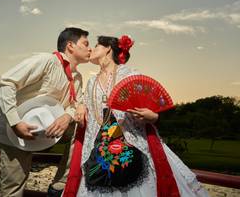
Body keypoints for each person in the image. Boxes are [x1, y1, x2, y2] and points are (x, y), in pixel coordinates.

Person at [73, 35, 209, 196]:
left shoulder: (131, 75)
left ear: (108, 48)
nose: (91, 49)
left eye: (96, 46)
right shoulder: (91, 82)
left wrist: (154, 116)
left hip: (133, 144)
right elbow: (85, 109)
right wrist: (80, 106)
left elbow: (159, 108)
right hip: (99, 149)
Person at [0, 27, 91, 197]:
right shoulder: (46, 60)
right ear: (70, 46)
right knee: (13, 189)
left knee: (82, 126)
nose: (90, 48)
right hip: (14, 132)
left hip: (47, 132)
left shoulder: (77, 77)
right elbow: (5, 83)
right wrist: (15, 122)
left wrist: (67, 116)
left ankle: (60, 185)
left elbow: (76, 104)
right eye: (86, 44)